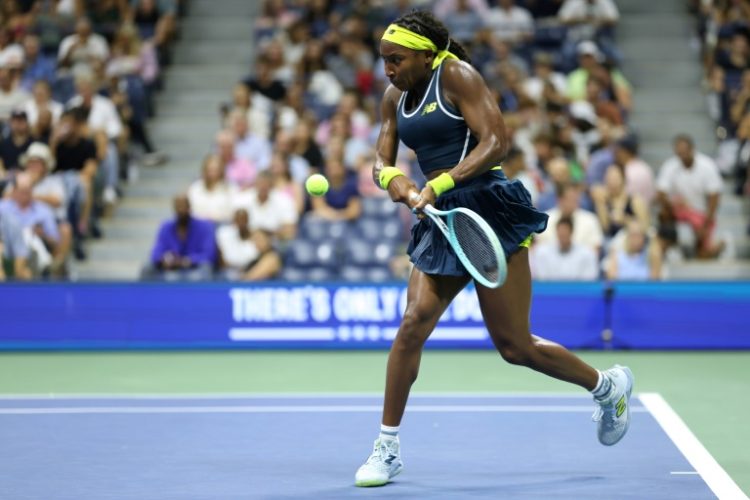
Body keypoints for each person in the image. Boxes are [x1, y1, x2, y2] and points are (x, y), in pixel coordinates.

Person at [354, 11, 634, 488]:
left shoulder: (458, 76)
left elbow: (497, 142)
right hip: (439, 219)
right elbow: (382, 158)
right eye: (384, 60)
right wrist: (394, 179)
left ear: (426, 55)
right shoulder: (393, 97)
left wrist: (438, 182)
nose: (388, 69)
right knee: (411, 324)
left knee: (514, 346)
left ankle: (607, 387)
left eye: (397, 59)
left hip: (488, 209)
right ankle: (387, 447)